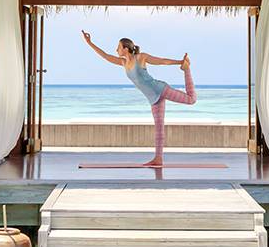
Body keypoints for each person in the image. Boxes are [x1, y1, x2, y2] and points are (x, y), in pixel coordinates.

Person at [81, 30, 195, 167]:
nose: (116, 50)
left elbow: (161, 61)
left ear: (125, 48)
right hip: (153, 99)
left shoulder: (140, 58)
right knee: (159, 130)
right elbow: (105, 56)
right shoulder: (123, 63)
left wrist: (180, 62)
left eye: (118, 47)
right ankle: (158, 159)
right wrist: (89, 43)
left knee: (191, 100)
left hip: (160, 89)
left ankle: (187, 69)